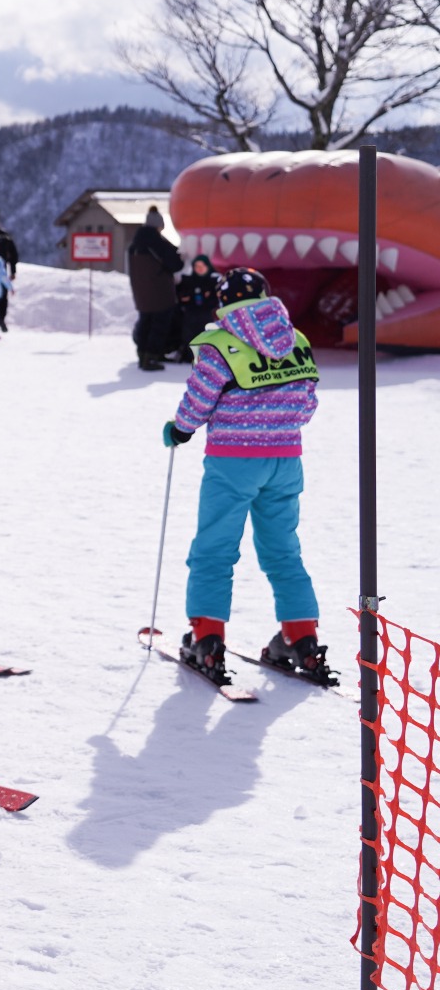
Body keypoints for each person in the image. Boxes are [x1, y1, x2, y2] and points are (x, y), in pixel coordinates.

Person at [164, 267, 330, 684]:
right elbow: (308, 402)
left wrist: (181, 428)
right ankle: (301, 637)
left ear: (223, 302)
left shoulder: (221, 342)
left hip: (233, 461)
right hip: (285, 460)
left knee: (215, 549)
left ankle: (207, 638)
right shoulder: (295, 339)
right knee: (283, 550)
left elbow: (200, 396)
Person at [127, 206, 183, 372]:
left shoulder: (134, 244)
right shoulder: (157, 243)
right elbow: (175, 264)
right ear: (159, 225)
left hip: (141, 293)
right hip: (159, 292)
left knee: (145, 323)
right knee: (159, 325)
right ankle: (151, 357)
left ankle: (142, 355)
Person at [174, 255, 221, 362]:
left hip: (207, 315)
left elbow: (216, 300)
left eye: (202, 266)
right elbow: (180, 296)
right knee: (188, 335)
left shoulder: (214, 281)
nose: (199, 268)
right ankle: (188, 355)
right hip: (190, 315)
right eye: (196, 266)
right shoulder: (187, 281)